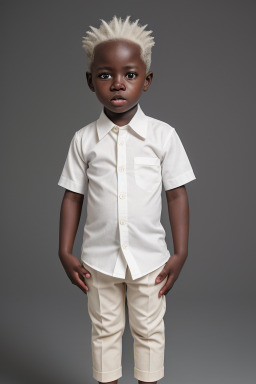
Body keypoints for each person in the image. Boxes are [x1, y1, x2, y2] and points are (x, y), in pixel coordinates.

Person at [57, 15, 196, 384]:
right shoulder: (83, 140)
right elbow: (73, 196)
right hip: (98, 262)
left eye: (130, 74)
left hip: (150, 260)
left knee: (150, 331)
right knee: (104, 331)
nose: (118, 83)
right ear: (91, 81)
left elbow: (176, 193)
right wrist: (64, 250)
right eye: (105, 75)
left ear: (146, 80)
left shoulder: (163, 136)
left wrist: (179, 252)